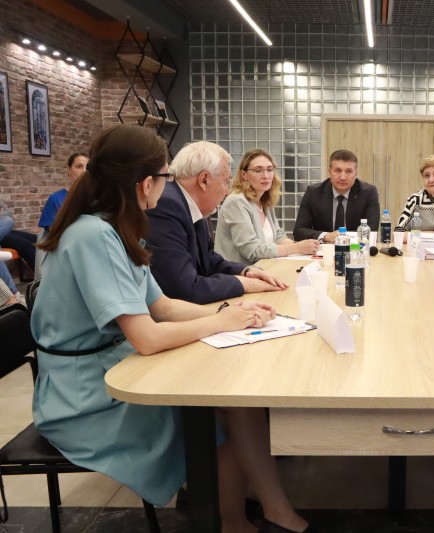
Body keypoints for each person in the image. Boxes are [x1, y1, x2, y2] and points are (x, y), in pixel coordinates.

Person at [33, 124, 314, 533]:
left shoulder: (113, 227)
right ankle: (240, 518)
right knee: (228, 409)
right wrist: (220, 321)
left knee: (235, 403)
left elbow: (162, 306)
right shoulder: (95, 235)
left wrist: (232, 312)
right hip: (85, 396)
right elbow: (147, 337)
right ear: (147, 183)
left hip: (107, 367)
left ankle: (251, 511)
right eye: (166, 176)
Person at [146, 141, 288, 305]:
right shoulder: (167, 205)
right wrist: (241, 283)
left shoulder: (188, 204)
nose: (227, 191)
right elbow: (183, 288)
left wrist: (245, 271)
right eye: (226, 182)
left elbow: (208, 259)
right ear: (204, 180)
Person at [215, 149, 319, 263]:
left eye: (269, 170)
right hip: (240, 272)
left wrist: (305, 247)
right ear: (244, 175)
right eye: (258, 170)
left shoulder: (264, 200)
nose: (266, 176)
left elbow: (278, 236)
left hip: (264, 267)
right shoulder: (236, 202)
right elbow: (252, 251)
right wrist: (297, 248)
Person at [292, 149, 380, 242]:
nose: (342, 177)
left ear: (355, 174)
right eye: (338, 170)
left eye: (349, 171)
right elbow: (299, 231)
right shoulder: (314, 192)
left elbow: (371, 231)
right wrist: (326, 236)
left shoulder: (368, 193)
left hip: (355, 248)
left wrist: (343, 238)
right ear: (329, 172)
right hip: (323, 248)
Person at [38, 152, 89, 231]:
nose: (84, 171)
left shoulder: (96, 199)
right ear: (69, 170)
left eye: (88, 167)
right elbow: (52, 233)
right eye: (79, 166)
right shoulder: (55, 199)